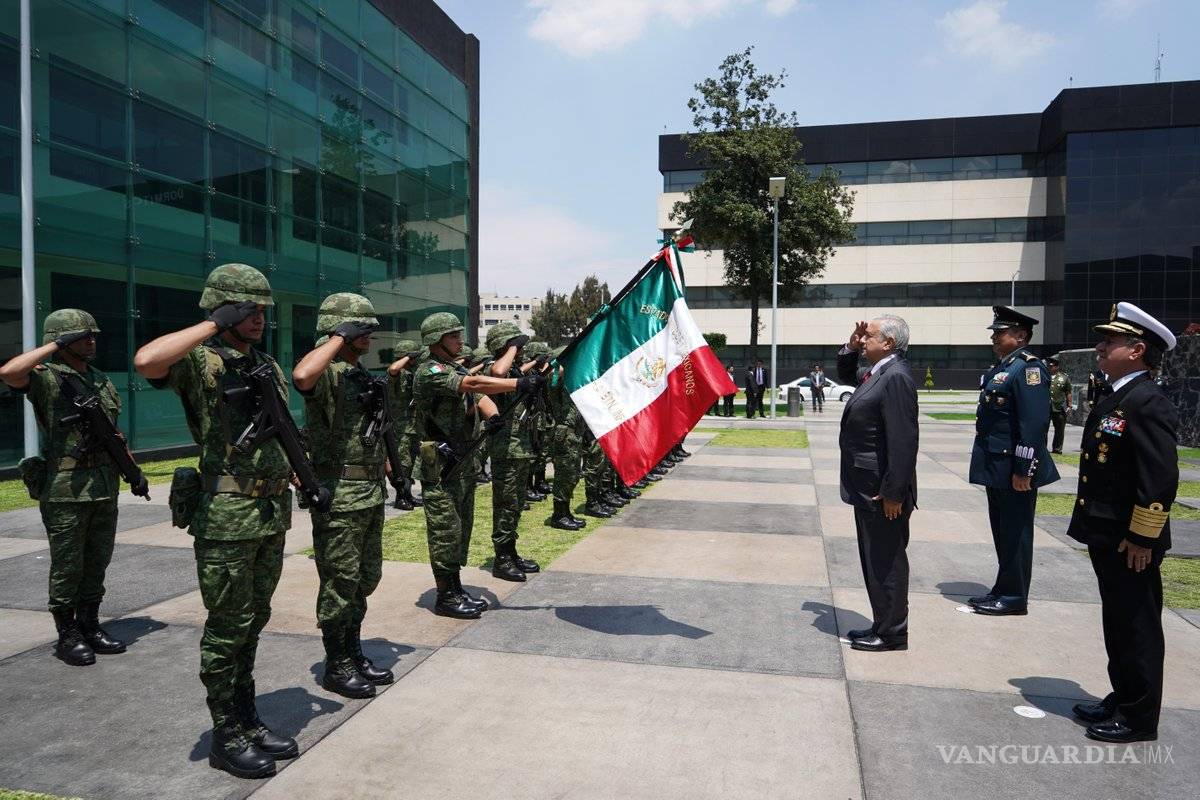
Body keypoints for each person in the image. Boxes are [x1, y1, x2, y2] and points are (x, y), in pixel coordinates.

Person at [133, 264, 298, 779]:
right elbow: (146, 361)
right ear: (224, 308)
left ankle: (247, 718)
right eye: (248, 309)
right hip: (227, 517)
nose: (258, 318)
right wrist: (212, 323)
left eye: (263, 310)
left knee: (254, 621)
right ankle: (225, 734)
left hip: (269, 512)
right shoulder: (199, 361)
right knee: (227, 627)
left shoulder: (265, 364)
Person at [1068, 303, 1179, 744]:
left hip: (1129, 539)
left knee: (1137, 624)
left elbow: (1159, 478)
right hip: (1108, 532)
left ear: (1136, 350)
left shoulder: (1147, 401)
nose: (1100, 347)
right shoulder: (1119, 395)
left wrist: (1141, 536)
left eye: (1109, 341)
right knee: (1118, 621)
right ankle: (1126, 693)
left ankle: (1139, 717)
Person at [0, 309, 130, 666]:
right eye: (79, 337)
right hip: (65, 490)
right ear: (60, 342)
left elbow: (113, 434)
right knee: (67, 565)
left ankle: (90, 624)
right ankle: (67, 633)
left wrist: (130, 470)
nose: (90, 341)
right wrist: (54, 345)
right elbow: (10, 372)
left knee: (97, 562)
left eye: (92, 336)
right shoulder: (47, 379)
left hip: (104, 486)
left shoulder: (102, 380)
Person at [292, 293, 392, 700]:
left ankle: (353, 649)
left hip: (368, 492)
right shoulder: (328, 372)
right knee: (340, 581)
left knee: (366, 577)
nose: (369, 334)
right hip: (341, 494)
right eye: (360, 328)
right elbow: (301, 377)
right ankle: (337, 663)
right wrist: (337, 336)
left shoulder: (359, 373)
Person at [412, 313, 542, 617]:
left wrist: (493, 416)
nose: (460, 340)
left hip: (462, 461)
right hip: (441, 465)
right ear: (436, 341)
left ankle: (455, 587)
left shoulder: (453, 366)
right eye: (453, 336)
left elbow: (480, 394)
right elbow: (473, 383)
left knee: (461, 528)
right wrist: (518, 382)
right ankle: (445, 595)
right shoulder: (429, 370)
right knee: (445, 530)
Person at [967, 306, 1060, 616]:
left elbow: (1033, 427)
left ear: (1020, 336)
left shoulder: (1029, 370)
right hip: (997, 466)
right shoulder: (1001, 368)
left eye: (1000, 332)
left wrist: (1024, 470)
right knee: (1003, 531)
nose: (994, 337)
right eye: (994, 332)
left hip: (1013, 469)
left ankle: (1014, 597)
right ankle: (1003, 587)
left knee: (1016, 532)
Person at [836, 317, 919, 652]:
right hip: (867, 486)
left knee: (887, 561)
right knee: (875, 559)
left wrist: (893, 492)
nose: (863, 338)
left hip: (882, 491)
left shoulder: (896, 376)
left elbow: (903, 439)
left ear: (888, 342)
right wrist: (852, 346)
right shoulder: (879, 371)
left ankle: (893, 632)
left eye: (868, 336)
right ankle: (882, 623)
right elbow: (845, 374)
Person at [484, 322, 543, 581]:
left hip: (520, 446)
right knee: (505, 505)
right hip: (505, 449)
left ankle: (511, 551)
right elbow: (498, 372)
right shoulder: (492, 368)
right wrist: (513, 346)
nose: (519, 350)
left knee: (516, 504)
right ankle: (502, 558)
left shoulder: (516, 369)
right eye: (514, 345)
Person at [547, 348, 587, 531]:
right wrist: (562, 364)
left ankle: (566, 512)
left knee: (573, 474)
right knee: (564, 476)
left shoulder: (574, 379)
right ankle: (559, 515)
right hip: (565, 431)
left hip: (575, 432)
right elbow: (555, 379)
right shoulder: (556, 376)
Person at [386, 338, 423, 510]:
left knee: (412, 463)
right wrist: (408, 358)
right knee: (402, 465)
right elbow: (393, 368)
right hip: (401, 428)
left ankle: (408, 495)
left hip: (414, 426)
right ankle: (401, 497)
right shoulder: (397, 374)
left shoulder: (413, 373)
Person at [1047, 356, 1072, 454]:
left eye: (1052, 366)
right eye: (1049, 366)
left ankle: (1057, 449)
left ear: (1057, 367)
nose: (1050, 367)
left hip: (1059, 407)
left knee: (1060, 430)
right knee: (1043, 429)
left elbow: (1068, 392)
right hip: (1046, 407)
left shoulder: (1064, 378)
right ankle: (1042, 448)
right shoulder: (1044, 376)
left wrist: (1069, 405)